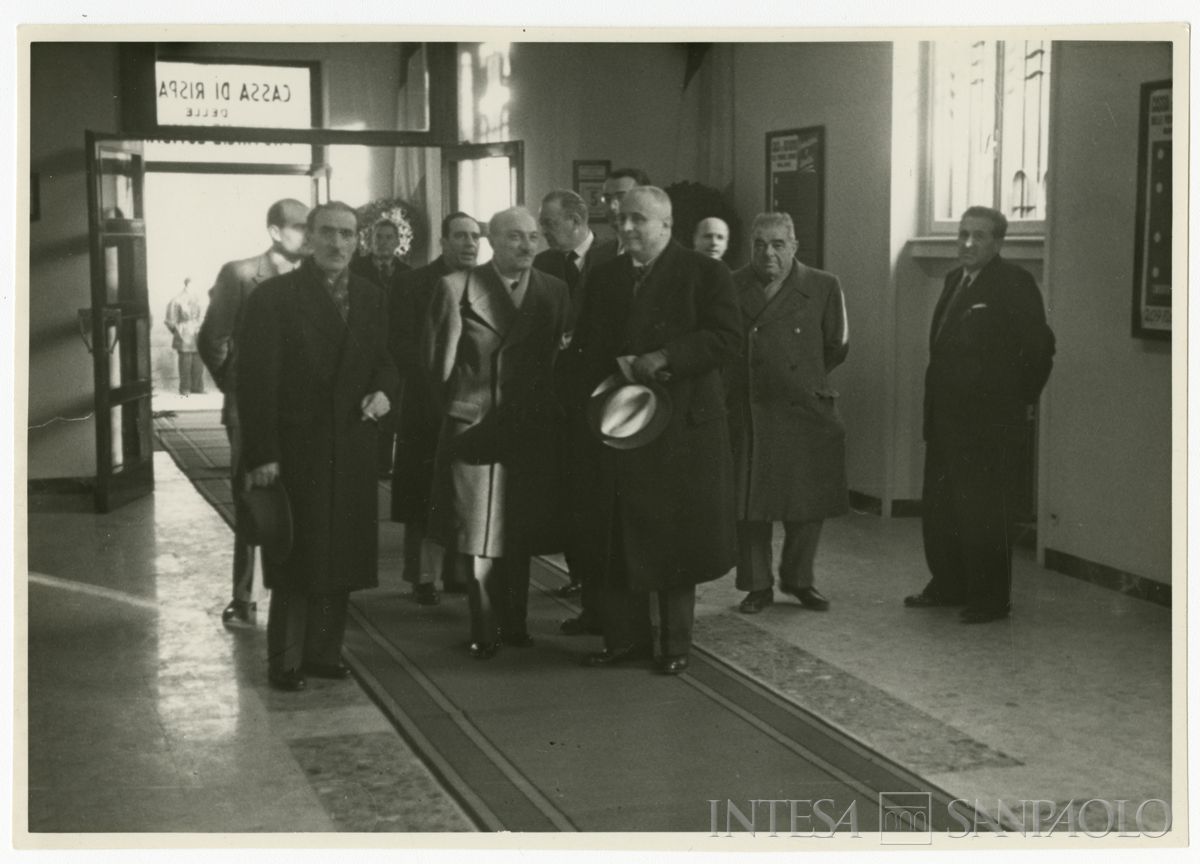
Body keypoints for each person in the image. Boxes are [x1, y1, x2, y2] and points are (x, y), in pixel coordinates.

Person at [573, 186, 739, 675]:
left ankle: (674, 644)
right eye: (621, 219)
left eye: (638, 221)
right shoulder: (605, 278)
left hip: (681, 429)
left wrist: (666, 357)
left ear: (666, 226)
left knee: (674, 541)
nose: (625, 229)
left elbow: (726, 339)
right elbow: (587, 344)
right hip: (621, 422)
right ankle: (624, 640)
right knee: (619, 534)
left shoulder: (705, 273)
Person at [237, 201, 399, 691]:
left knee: (342, 556)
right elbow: (255, 382)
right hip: (295, 447)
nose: (337, 244)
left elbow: (387, 360)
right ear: (308, 238)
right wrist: (262, 453)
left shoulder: (371, 296)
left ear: (358, 241)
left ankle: (325, 653)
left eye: (347, 235)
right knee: (296, 556)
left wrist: (387, 391)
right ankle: (285, 660)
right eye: (327, 233)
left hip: (351, 443)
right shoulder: (275, 298)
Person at [424, 207, 571, 659]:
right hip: (476, 428)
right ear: (490, 239)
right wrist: (456, 417)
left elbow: (559, 364)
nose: (526, 246)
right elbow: (436, 369)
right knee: (480, 533)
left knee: (519, 530)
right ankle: (485, 628)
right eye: (514, 237)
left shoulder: (555, 290)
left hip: (529, 428)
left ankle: (516, 623)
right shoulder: (454, 289)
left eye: (533, 237)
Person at [906, 206, 1054, 624]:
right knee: (943, 509)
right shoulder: (955, 280)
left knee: (985, 512)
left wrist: (1018, 401)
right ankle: (949, 584)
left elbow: (1041, 349)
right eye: (963, 234)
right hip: (945, 421)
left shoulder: (1014, 283)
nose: (968, 244)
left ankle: (990, 599)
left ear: (998, 243)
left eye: (980, 236)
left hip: (988, 425)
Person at [727, 213, 849, 615]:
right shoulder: (732, 284)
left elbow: (836, 345)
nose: (768, 253)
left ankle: (799, 580)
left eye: (778, 244)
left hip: (804, 408)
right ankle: (757, 585)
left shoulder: (823, 285)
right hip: (750, 406)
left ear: (794, 245)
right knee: (750, 506)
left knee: (807, 504)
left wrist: (801, 381)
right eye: (760, 244)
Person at [198, 198, 309, 625]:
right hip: (249, 407)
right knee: (252, 499)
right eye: (299, 226)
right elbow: (213, 338)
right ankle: (243, 596)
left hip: (301, 409)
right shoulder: (241, 274)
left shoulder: (316, 278)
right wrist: (239, 386)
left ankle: (299, 588)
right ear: (276, 231)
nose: (307, 234)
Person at [389, 212, 483, 605]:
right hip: (425, 402)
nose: (469, 244)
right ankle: (422, 576)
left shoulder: (486, 284)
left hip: (471, 404)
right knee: (423, 495)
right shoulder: (411, 283)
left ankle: (458, 573)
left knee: (464, 493)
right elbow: (401, 346)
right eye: (460, 236)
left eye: (476, 237)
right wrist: (435, 395)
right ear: (443, 241)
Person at [534, 189, 619, 624]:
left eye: (549, 223)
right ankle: (583, 582)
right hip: (561, 402)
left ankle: (603, 597)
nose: (543, 231)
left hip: (605, 402)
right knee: (572, 499)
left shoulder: (613, 260)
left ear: (577, 219)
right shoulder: (545, 265)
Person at [350, 218, 413, 475]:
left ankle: (383, 464)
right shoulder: (356, 268)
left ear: (398, 242)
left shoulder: (408, 273)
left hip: (395, 348)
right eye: (379, 237)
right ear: (370, 240)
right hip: (364, 344)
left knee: (391, 405)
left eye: (389, 237)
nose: (384, 242)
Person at [164, 277, 206, 395]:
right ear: (187, 284)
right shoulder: (176, 300)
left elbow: (204, 316)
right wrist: (178, 332)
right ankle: (185, 388)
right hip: (184, 333)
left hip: (198, 332)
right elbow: (170, 321)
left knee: (199, 360)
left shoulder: (199, 299)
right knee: (185, 362)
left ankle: (197, 387)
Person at [599, 168, 652, 248]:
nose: (612, 207)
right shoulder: (597, 254)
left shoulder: (669, 255)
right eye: (607, 199)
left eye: (621, 197)